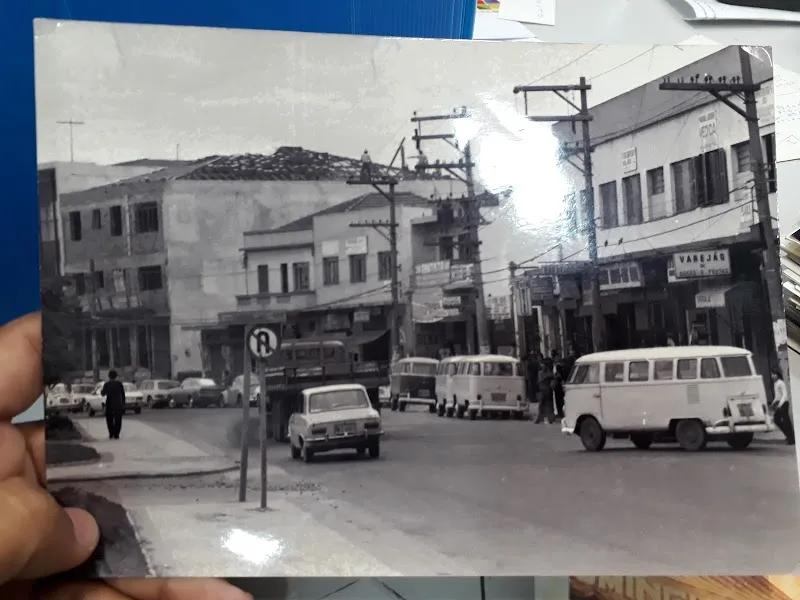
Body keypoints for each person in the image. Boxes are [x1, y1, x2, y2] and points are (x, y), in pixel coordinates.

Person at [0, 313, 252, 600]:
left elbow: (106, 395)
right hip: (116, 407)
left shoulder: (111, 386)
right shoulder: (116, 386)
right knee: (114, 424)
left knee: (113, 424)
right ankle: (116, 433)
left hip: (113, 408)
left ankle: (115, 433)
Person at [771, 369, 795, 446]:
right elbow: (777, 395)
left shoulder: (781, 383)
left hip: (784, 403)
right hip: (779, 403)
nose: (772, 376)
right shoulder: (775, 384)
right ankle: (789, 435)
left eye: (774, 374)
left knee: (785, 420)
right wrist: (773, 403)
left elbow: (784, 395)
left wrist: (780, 404)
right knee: (777, 420)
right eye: (771, 374)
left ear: (778, 375)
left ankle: (791, 437)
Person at [101, 370, 126, 440]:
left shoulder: (107, 384)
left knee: (109, 419)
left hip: (109, 403)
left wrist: (103, 390)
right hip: (118, 403)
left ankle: (111, 433)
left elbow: (103, 393)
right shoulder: (119, 384)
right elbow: (123, 395)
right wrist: (123, 404)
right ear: (116, 376)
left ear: (109, 376)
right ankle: (117, 434)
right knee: (118, 419)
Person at [535, 354, 555, 424]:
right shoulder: (540, 373)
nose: (542, 366)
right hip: (542, 390)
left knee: (549, 405)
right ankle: (540, 418)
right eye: (541, 365)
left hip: (548, 390)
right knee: (541, 405)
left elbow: (552, 378)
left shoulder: (549, 372)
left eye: (543, 365)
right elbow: (540, 380)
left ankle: (550, 418)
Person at [551, 349, 566, 420]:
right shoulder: (556, 365)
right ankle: (560, 412)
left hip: (558, 383)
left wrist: (557, 376)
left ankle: (561, 412)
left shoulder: (558, 366)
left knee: (559, 399)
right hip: (558, 384)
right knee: (558, 399)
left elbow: (560, 375)